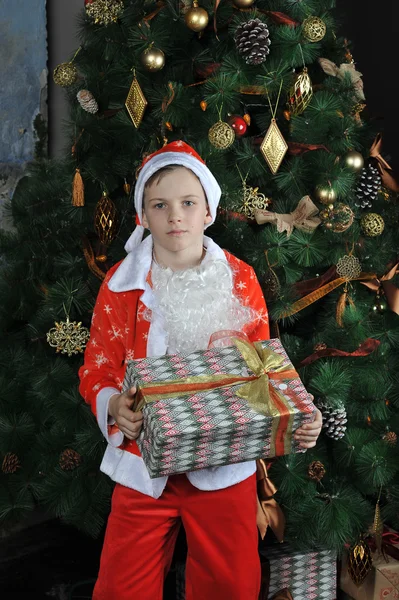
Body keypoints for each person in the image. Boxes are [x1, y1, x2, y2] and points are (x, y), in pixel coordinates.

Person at [79, 140, 322, 600]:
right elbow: (97, 367)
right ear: (142, 217)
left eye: (188, 203)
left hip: (225, 462)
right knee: (120, 586)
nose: (175, 216)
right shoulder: (121, 285)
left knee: (230, 584)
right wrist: (113, 406)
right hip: (142, 465)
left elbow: (265, 369)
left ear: (208, 210)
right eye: (160, 205)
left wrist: (301, 415)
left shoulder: (240, 277)